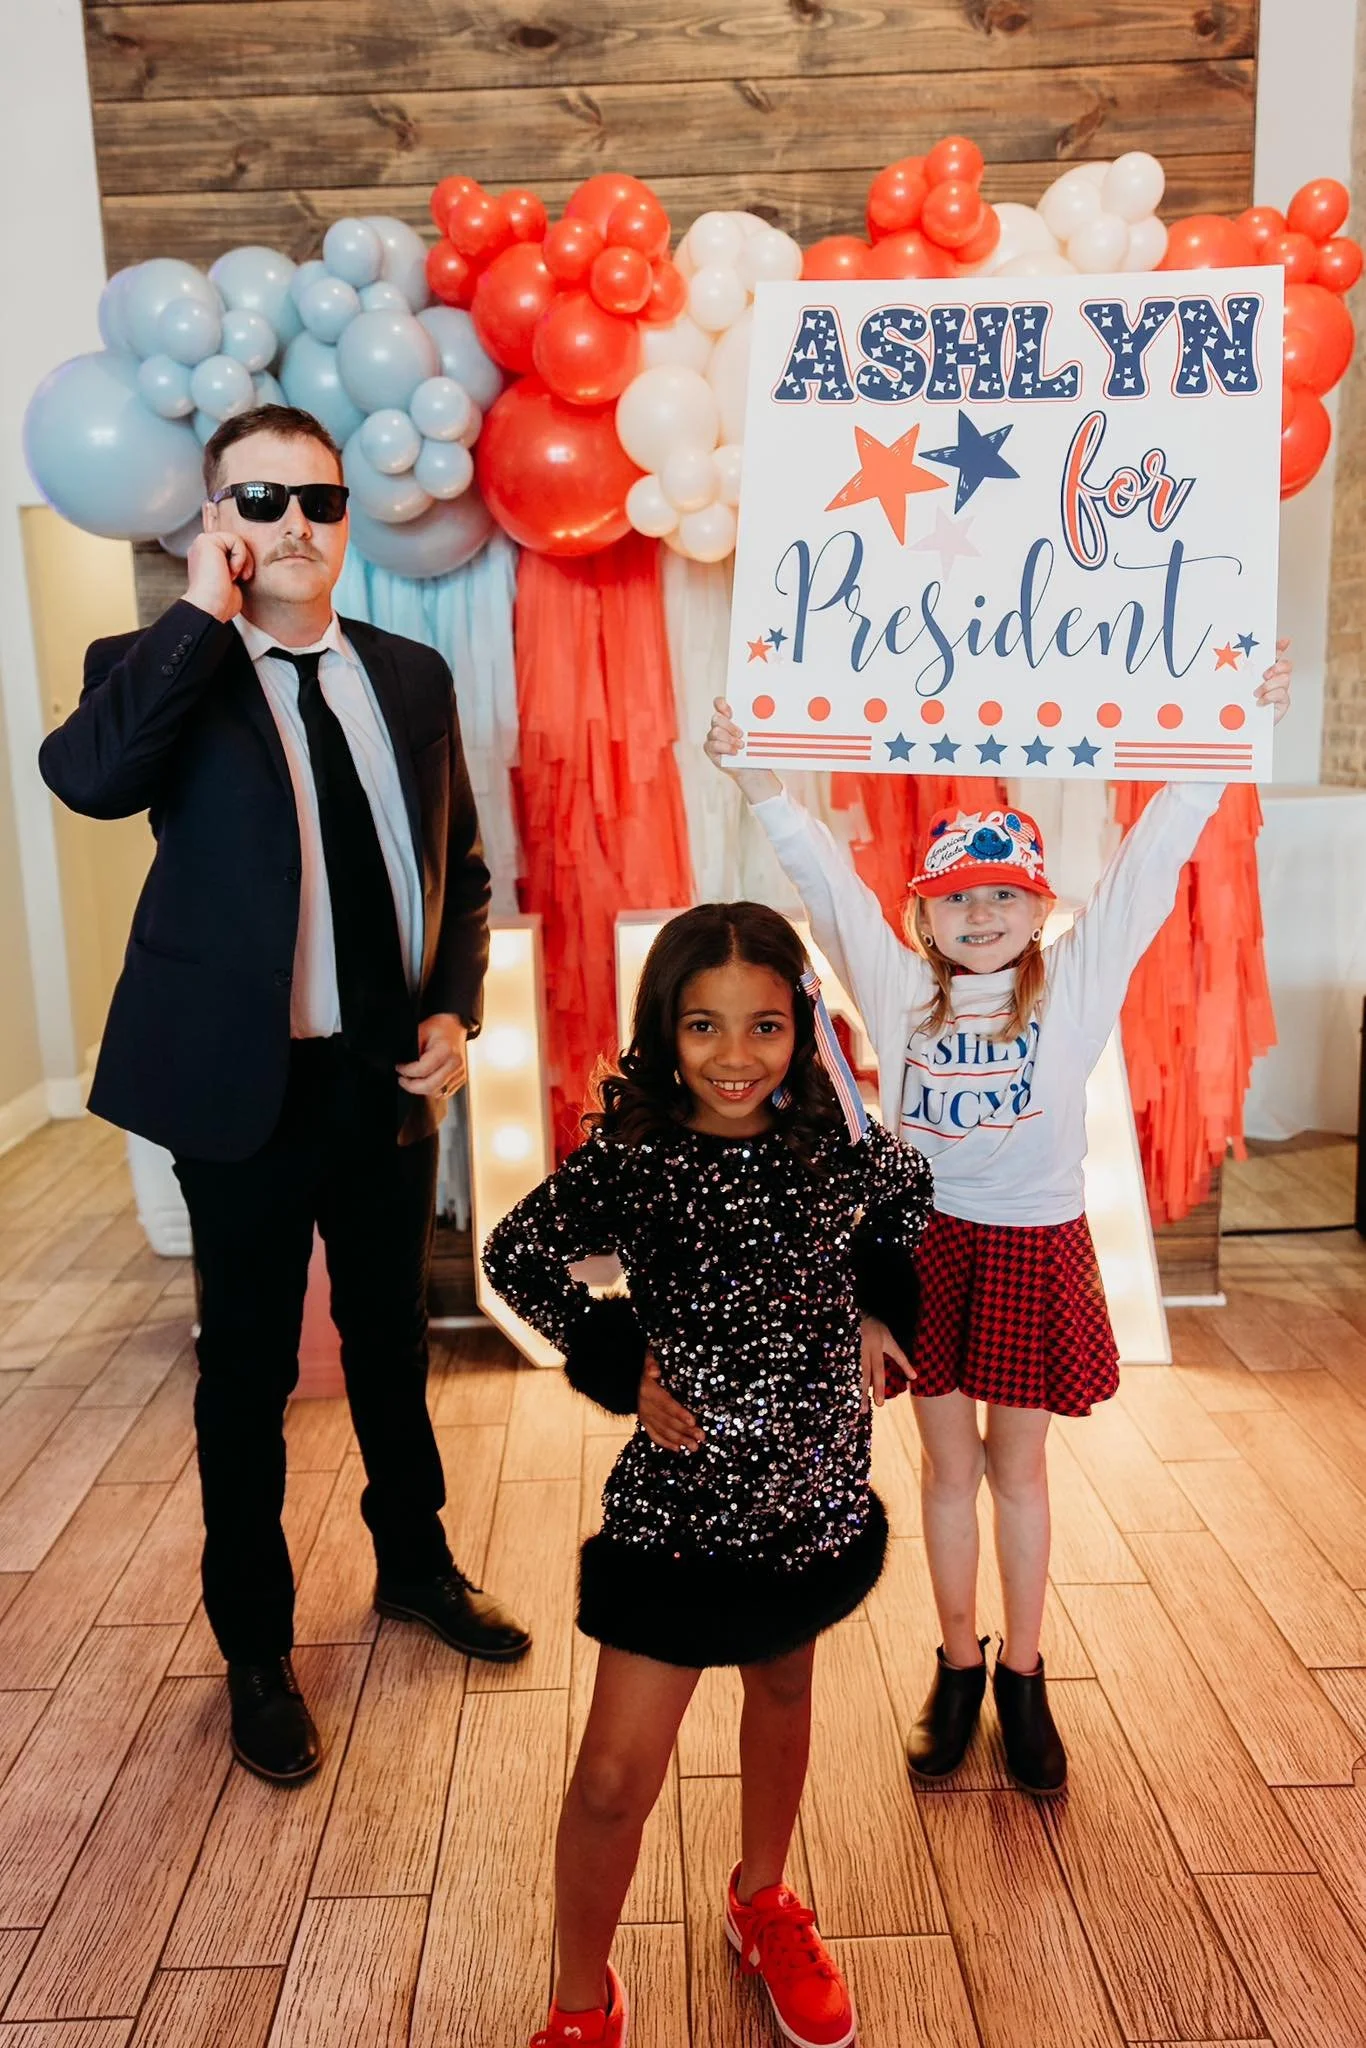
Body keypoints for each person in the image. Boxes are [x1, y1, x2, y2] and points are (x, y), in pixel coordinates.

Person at [685, 649, 1293, 1797]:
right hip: (930, 1249)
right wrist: (758, 777)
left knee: (1021, 1471)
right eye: (956, 894)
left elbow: (1152, 864)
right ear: (922, 911)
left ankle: (1024, 1673)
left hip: (1031, 1243)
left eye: (1002, 892)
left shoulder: (1074, 980)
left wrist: (1226, 739)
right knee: (946, 1471)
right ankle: (955, 1664)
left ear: (1039, 906)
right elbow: (823, 880)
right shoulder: (898, 985)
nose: (980, 912)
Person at [39, 403, 530, 1786]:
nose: (292, 526)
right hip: (237, 1095)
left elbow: (463, 874)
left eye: (314, 500)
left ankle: (416, 1568)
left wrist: (454, 1008)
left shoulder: (412, 677)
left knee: (391, 1344)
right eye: (257, 504)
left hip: (380, 1082)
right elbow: (85, 778)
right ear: (215, 523)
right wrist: (201, 609)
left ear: (345, 515)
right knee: (246, 1379)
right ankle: (255, 1647)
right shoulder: (155, 666)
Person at [482, 902, 931, 2048]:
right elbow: (515, 1254)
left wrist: (881, 1302)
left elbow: (906, 1197)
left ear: (802, 1028)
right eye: (704, 1026)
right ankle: (580, 2003)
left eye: (765, 1026)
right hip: (679, 1508)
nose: (736, 1057)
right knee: (612, 1777)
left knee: (784, 1690)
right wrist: (616, 1360)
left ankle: (763, 1896)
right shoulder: (637, 1156)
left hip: (814, 1479)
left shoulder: (836, 1139)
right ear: (664, 1031)